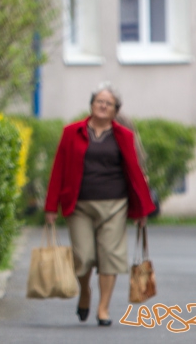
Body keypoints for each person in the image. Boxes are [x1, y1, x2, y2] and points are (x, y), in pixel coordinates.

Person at [44, 83, 155, 327]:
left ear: (116, 110)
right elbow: (58, 169)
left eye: (108, 103)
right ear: (92, 105)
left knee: (110, 257)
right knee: (82, 257)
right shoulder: (71, 132)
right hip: (79, 204)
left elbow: (136, 173)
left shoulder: (124, 136)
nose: (103, 106)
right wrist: (51, 207)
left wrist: (142, 210)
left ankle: (103, 308)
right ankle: (85, 291)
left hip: (115, 204)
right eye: (99, 102)